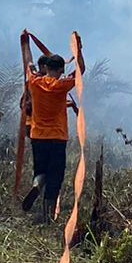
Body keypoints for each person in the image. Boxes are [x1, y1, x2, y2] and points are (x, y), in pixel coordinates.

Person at [21, 50, 76, 217]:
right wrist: (78, 50)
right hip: (57, 138)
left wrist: (26, 44)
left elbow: (29, 64)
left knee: (41, 170)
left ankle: (37, 184)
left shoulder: (34, 82)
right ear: (60, 70)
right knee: (55, 176)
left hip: (37, 136)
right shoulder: (62, 85)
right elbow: (80, 71)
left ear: (46, 67)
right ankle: (48, 216)